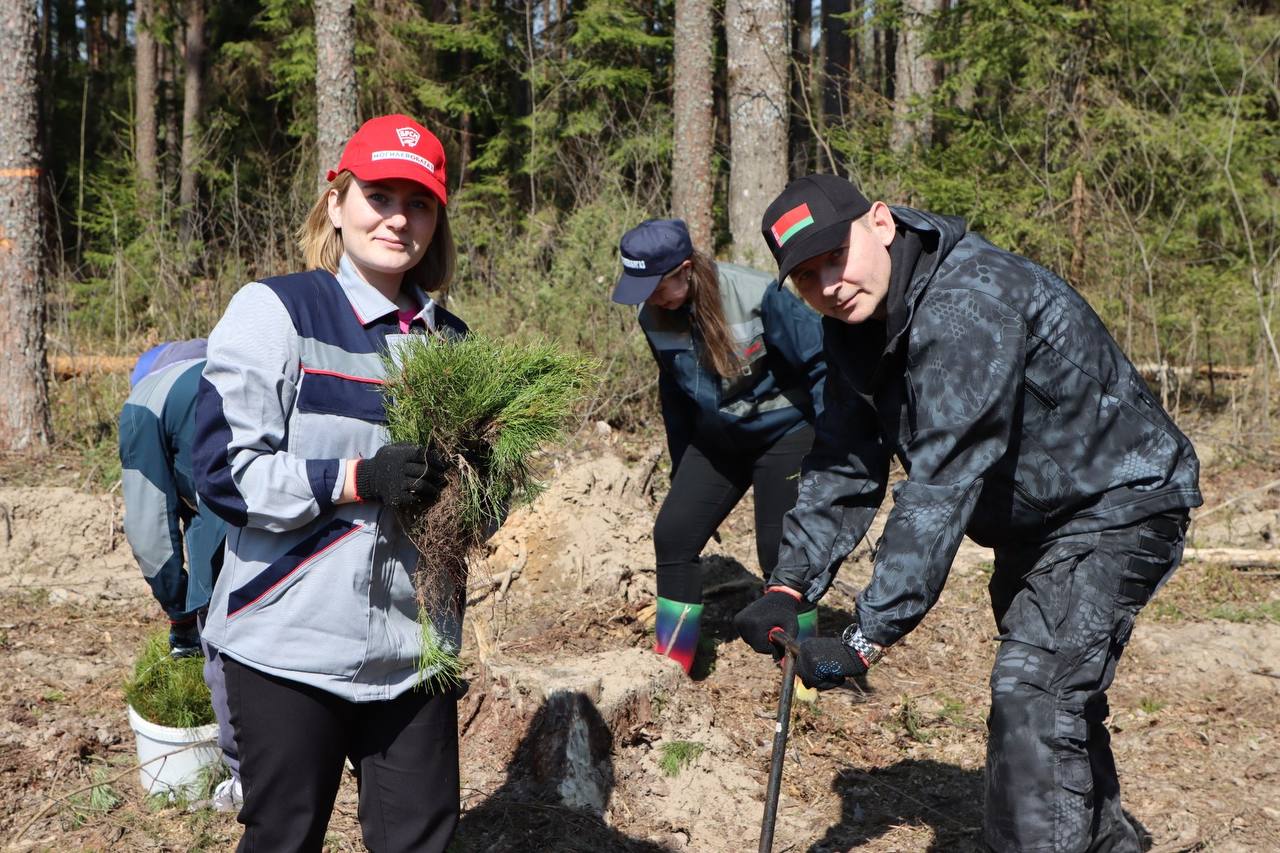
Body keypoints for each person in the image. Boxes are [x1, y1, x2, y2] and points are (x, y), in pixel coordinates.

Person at [732, 174, 1201, 852]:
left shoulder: (968, 302)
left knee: (1034, 693)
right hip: (1035, 521)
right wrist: (790, 581)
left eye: (835, 257)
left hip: (1120, 499)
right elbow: (843, 457)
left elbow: (942, 479)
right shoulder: (857, 326)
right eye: (806, 276)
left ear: (882, 224)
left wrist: (864, 639)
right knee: (1054, 693)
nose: (828, 284)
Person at [194, 114, 466, 853]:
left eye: (419, 204)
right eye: (379, 196)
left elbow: (475, 506)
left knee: (424, 842)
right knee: (283, 837)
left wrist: (474, 493)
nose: (398, 218)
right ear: (338, 202)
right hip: (287, 644)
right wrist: (358, 476)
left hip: (414, 653)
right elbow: (223, 472)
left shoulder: (451, 343)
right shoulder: (276, 311)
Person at [612, 218, 827, 675]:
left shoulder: (754, 293)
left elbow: (820, 362)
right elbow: (674, 394)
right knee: (674, 532)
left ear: (684, 270)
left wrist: (833, 447)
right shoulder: (653, 314)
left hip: (783, 432)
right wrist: (680, 468)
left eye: (655, 286)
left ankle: (804, 673)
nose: (648, 297)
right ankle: (673, 667)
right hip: (719, 439)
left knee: (781, 552)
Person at [119, 339, 242, 811]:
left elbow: (150, 530)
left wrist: (179, 612)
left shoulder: (146, 400)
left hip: (234, 519)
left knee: (226, 649)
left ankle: (244, 776)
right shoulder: (234, 361)